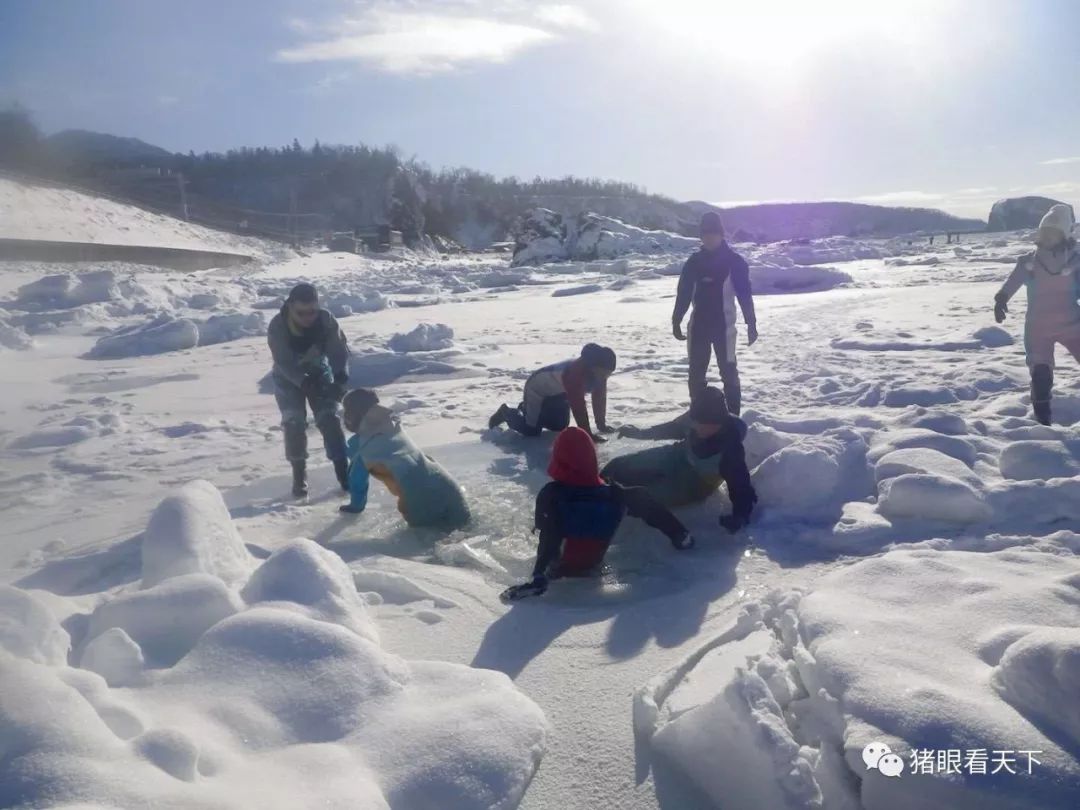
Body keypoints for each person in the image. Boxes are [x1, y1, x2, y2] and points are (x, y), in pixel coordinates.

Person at [500, 426, 695, 602]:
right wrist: (679, 533)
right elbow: (650, 507)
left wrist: (538, 575)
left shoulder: (551, 494)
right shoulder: (616, 494)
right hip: (595, 569)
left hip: (558, 573)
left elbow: (549, 537)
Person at [608, 386, 757, 533]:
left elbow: (740, 485)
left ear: (720, 422)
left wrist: (740, 516)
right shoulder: (695, 416)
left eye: (707, 425)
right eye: (697, 422)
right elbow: (672, 428)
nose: (699, 428)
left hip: (696, 483)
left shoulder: (730, 449)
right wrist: (639, 433)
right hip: (678, 455)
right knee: (617, 466)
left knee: (640, 498)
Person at [995, 203, 1080, 426]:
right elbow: (1013, 281)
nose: (1048, 238)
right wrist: (1002, 297)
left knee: (1041, 368)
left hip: (1061, 325)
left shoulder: (1070, 261)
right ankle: (1043, 419)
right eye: (1046, 233)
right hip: (1051, 326)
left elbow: (1013, 281)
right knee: (1041, 372)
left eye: (1052, 233)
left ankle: (1043, 414)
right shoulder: (1035, 262)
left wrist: (1002, 297)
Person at [339, 388, 470, 531]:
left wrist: (355, 507)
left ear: (354, 415)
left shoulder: (365, 446)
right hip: (448, 486)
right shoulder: (392, 426)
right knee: (463, 531)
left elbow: (357, 481)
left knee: (428, 543)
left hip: (419, 498)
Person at [267, 283, 350, 497]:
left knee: (329, 418)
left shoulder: (326, 320)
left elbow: (338, 351)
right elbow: (283, 362)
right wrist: (302, 383)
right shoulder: (278, 325)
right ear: (291, 306)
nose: (307, 317)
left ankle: (344, 473)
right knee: (293, 422)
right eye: (301, 313)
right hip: (288, 376)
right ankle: (299, 476)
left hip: (318, 370)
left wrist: (339, 378)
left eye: (311, 312)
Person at [672, 211, 758, 414]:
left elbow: (745, 295)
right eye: (705, 234)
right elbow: (683, 293)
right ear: (701, 236)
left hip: (724, 327)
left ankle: (733, 416)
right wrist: (676, 319)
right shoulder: (693, 262)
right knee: (696, 374)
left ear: (721, 235)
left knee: (728, 372)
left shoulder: (734, 262)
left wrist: (751, 323)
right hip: (698, 326)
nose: (709, 237)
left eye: (713, 233)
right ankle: (699, 417)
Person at [488, 343, 617, 442]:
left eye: (608, 374)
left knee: (559, 427)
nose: (605, 377)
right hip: (537, 389)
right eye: (603, 372)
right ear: (593, 367)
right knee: (531, 431)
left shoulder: (599, 375)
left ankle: (529, 410)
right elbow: (578, 405)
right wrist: (587, 434)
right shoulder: (574, 373)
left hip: (559, 394)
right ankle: (507, 412)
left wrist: (601, 424)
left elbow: (599, 398)